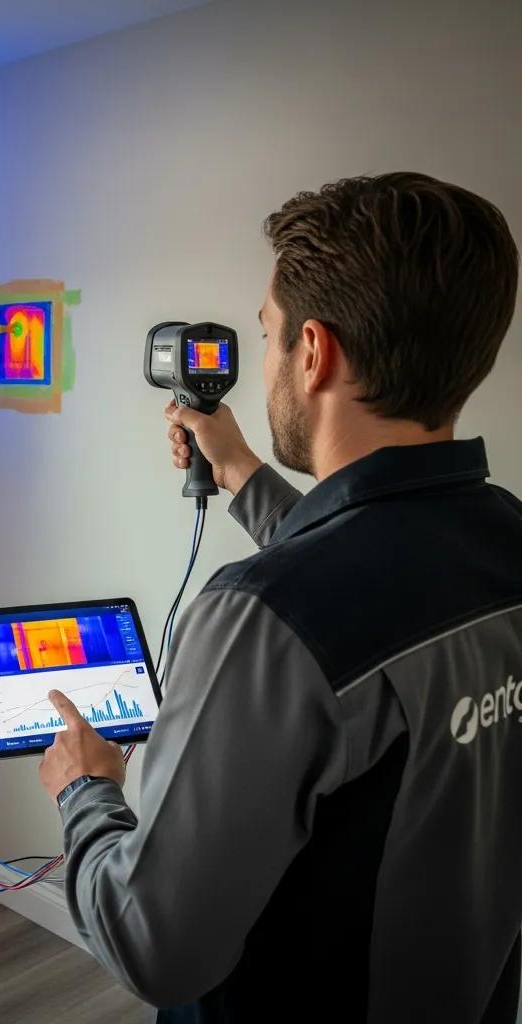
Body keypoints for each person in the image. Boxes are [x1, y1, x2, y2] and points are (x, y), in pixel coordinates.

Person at [38, 173, 522, 1023]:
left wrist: (88, 791)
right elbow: (377, 574)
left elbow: (153, 943)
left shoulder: (259, 617)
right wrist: (238, 471)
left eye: (264, 336)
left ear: (313, 350)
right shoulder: (504, 538)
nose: (260, 365)